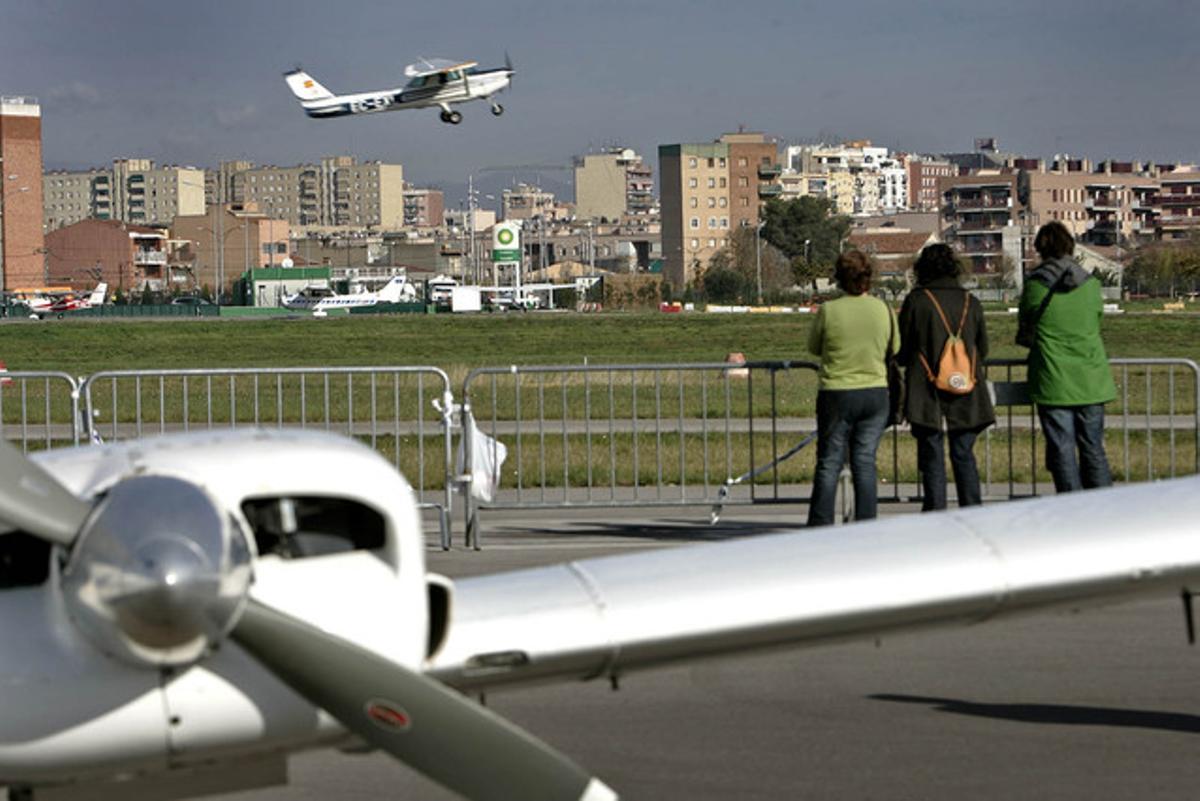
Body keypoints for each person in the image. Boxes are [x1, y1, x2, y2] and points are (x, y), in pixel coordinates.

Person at [1018, 221, 1116, 492]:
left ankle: (1071, 510)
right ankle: (1104, 510)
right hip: (1091, 378)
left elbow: (1026, 322)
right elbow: (1096, 320)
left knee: (1062, 449)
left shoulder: (1036, 285)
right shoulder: (1091, 284)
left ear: (1040, 249)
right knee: (1093, 448)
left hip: (1053, 377)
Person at [898, 243, 995, 511]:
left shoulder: (917, 301)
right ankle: (972, 509)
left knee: (931, 455)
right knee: (964, 453)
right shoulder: (970, 302)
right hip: (966, 387)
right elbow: (982, 348)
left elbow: (903, 350)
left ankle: (935, 511)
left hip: (926, 390)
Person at [806, 250, 898, 526]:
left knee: (830, 461)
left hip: (836, 391)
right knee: (864, 461)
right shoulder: (883, 310)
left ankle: (821, 523)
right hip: (875, 392)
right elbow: (896, 347)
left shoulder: (830, 311)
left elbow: (813, 347)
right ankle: (867, 523)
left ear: (839, 279)